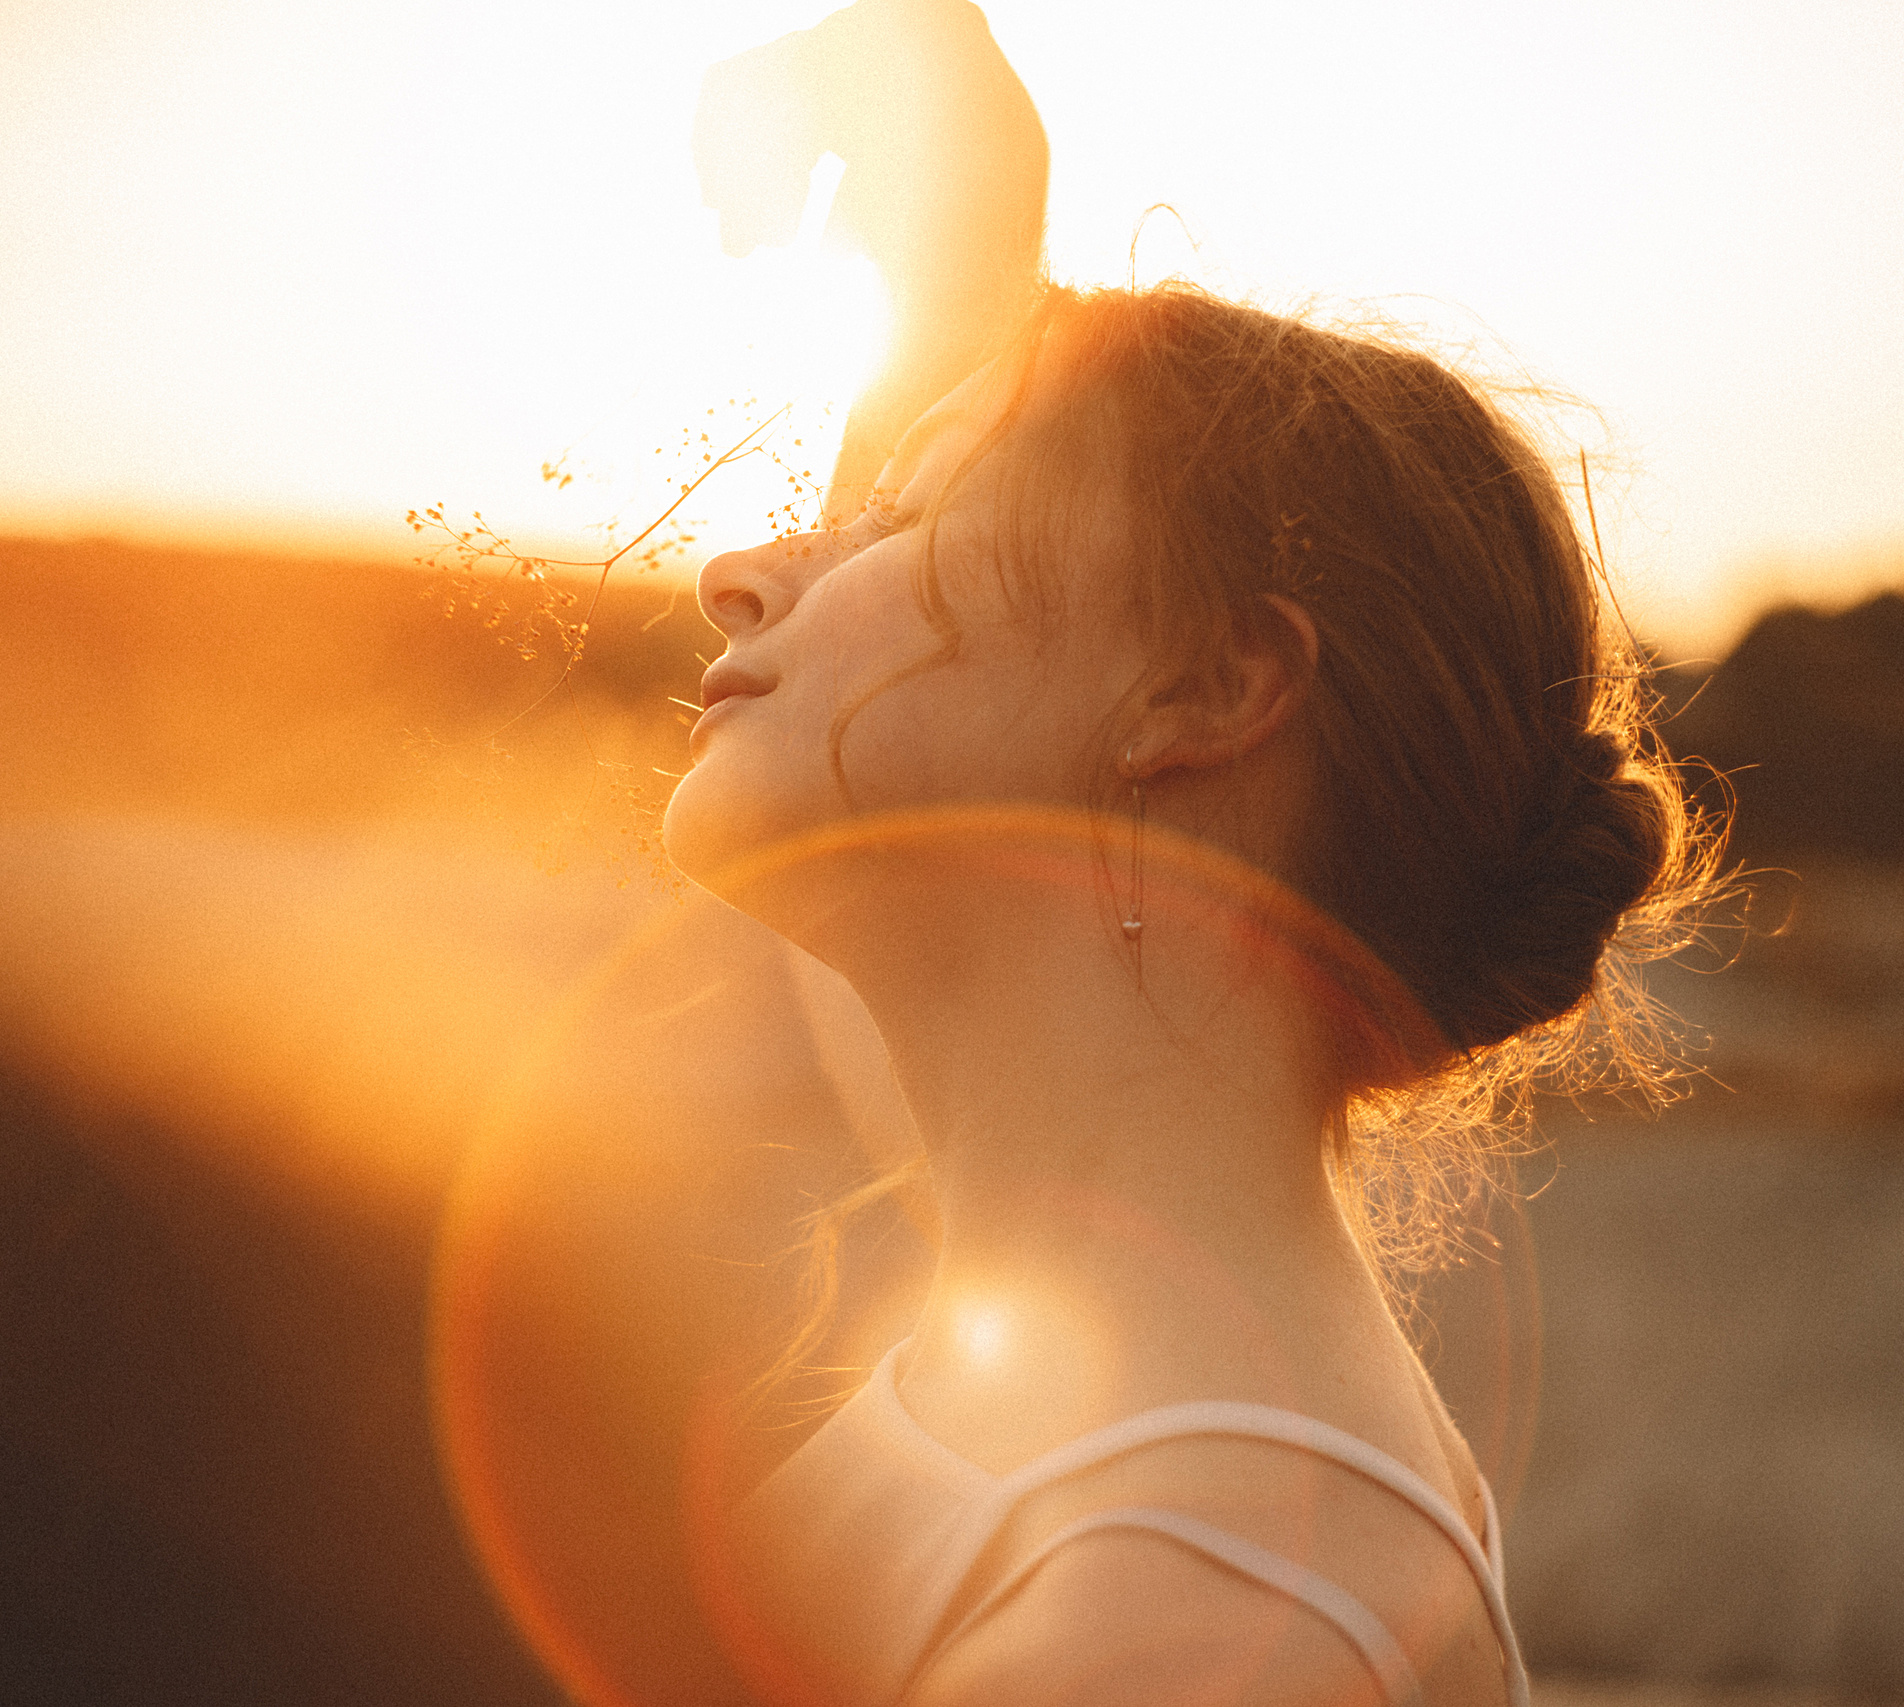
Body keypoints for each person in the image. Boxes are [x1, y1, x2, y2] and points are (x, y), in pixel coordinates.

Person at [669, 6, 1716, 1704]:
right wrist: (964, 214)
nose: (741, 568)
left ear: (1210, 689)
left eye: (912, 518)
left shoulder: (1196, 1629)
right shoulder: (1075, 1259)